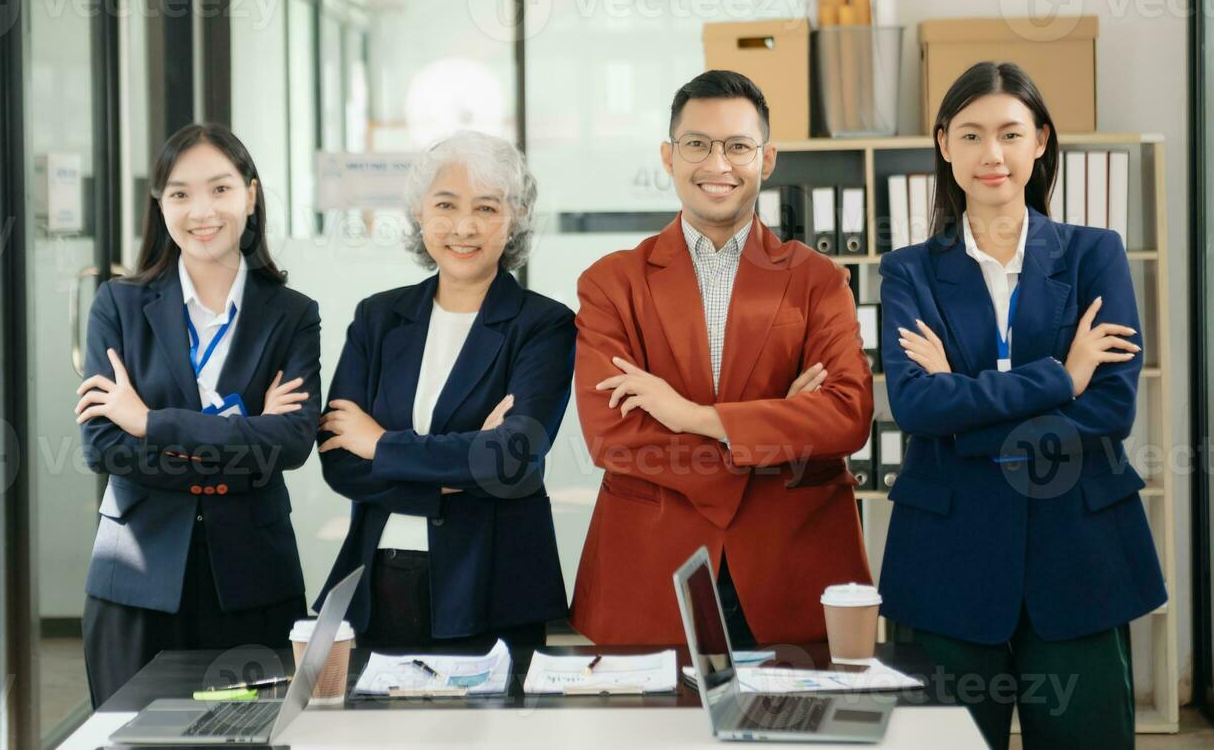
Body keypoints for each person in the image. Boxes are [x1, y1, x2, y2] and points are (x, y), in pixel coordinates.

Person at [878, 61, 1165, 750]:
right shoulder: (909, 271)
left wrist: (966, 411)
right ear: (944, 145)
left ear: (1039, 141)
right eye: (971, 135)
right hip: (947, 559)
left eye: (1009, 134)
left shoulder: (1095, 255)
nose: (992, 155)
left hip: (1080, 555)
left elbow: (1110, 412)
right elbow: (916, 409)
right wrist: (1060, 379)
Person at [570, 70, 875, 647]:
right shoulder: (612, 283)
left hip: (793, 568)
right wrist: (773, 432)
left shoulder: (817, 280)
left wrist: (692, 416)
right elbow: (613, 434)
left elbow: (847, 416)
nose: (718, 164)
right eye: (697, 145)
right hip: (653, 573)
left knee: (802, 734)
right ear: (668, 155)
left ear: (768, 159)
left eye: (738, 146)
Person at [76, 123, 320, 706]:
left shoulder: (291, 314)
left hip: (253, 580)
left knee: (251, 740)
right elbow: (103, 447)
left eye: (219, 189)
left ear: (250, 196)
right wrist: (242, 436)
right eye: (180, 194)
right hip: (136, 578)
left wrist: (151, 422)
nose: (201, 210)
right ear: (160, 205)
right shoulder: (119, 305)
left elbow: (288, 445)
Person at [315, 130, 575, 649]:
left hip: (496, 586)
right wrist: (457, 471)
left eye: (486, 208)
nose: (463, 227)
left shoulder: (544, 325)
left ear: (516, 216)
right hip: (380, 580)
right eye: (445, 205)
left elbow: (511, 459)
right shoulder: (379, 317)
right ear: (418, 213)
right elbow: (340, 460)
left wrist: (381, 445)